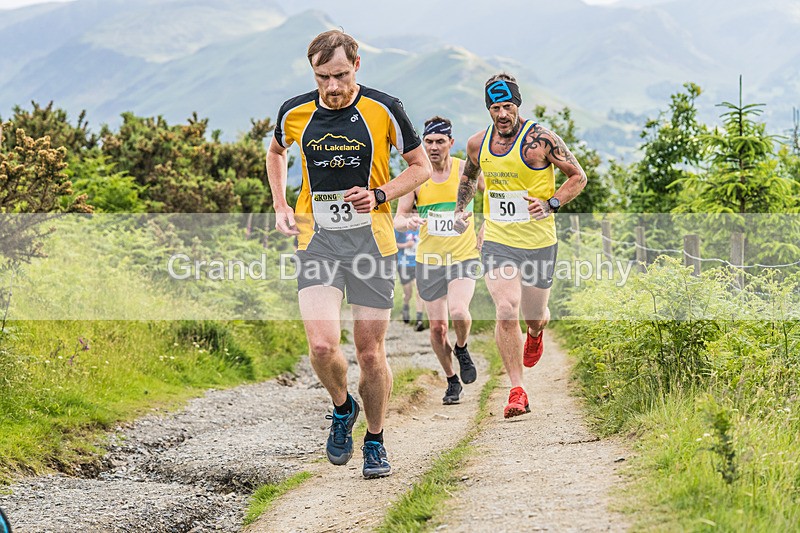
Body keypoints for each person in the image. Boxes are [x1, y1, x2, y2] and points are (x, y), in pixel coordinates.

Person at [266, 30, 431, 478]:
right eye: (323, 77)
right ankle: (343, 408)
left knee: (371, 353)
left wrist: (379, 194)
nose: (332, 86)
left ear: (357, 65)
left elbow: (422, 167)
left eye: (340, 75)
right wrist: (281, 204)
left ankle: (375, 441)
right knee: (321, 346)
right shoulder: (295, 111)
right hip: (317, 240)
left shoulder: (385, 108)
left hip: (371, 244)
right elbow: (277, 152)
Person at [453, 74, 586, 418]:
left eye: (508, 106)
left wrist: (551, 203)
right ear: (488, 109)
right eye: (495, 108)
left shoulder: (541, 139)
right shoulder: (477, 144)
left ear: (518, 105)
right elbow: (468, 176)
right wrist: (460, 210)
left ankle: (536, 331)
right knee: (506, 308)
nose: (502, 114)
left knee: (534, 314)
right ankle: (517, 389)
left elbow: (578, 176)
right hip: (499, 240)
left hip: (539, 242)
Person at [394, 116, 484, 405]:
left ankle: (461, 347)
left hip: (464, 254)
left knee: (458, 311)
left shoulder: (464, 170)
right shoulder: (417, 175)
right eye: (428, 142)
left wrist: (485, 227)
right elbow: (398, 218)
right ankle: (451, 380)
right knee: (437, 328)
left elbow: (493, 196)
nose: (433, 147)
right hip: (429, 260)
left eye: (439, 142)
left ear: (451, 143)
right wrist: (407, 223)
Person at [394, 225, 426, 330]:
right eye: (412, 212)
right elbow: (392, 244)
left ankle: (419, 320)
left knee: (419, 290)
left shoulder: (423, 227)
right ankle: (405, 306)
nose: (414, 215)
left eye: (416, 212)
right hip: (404, 264)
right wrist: (406, 245)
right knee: (408, 293)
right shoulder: (401, 227)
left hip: (418, 263)